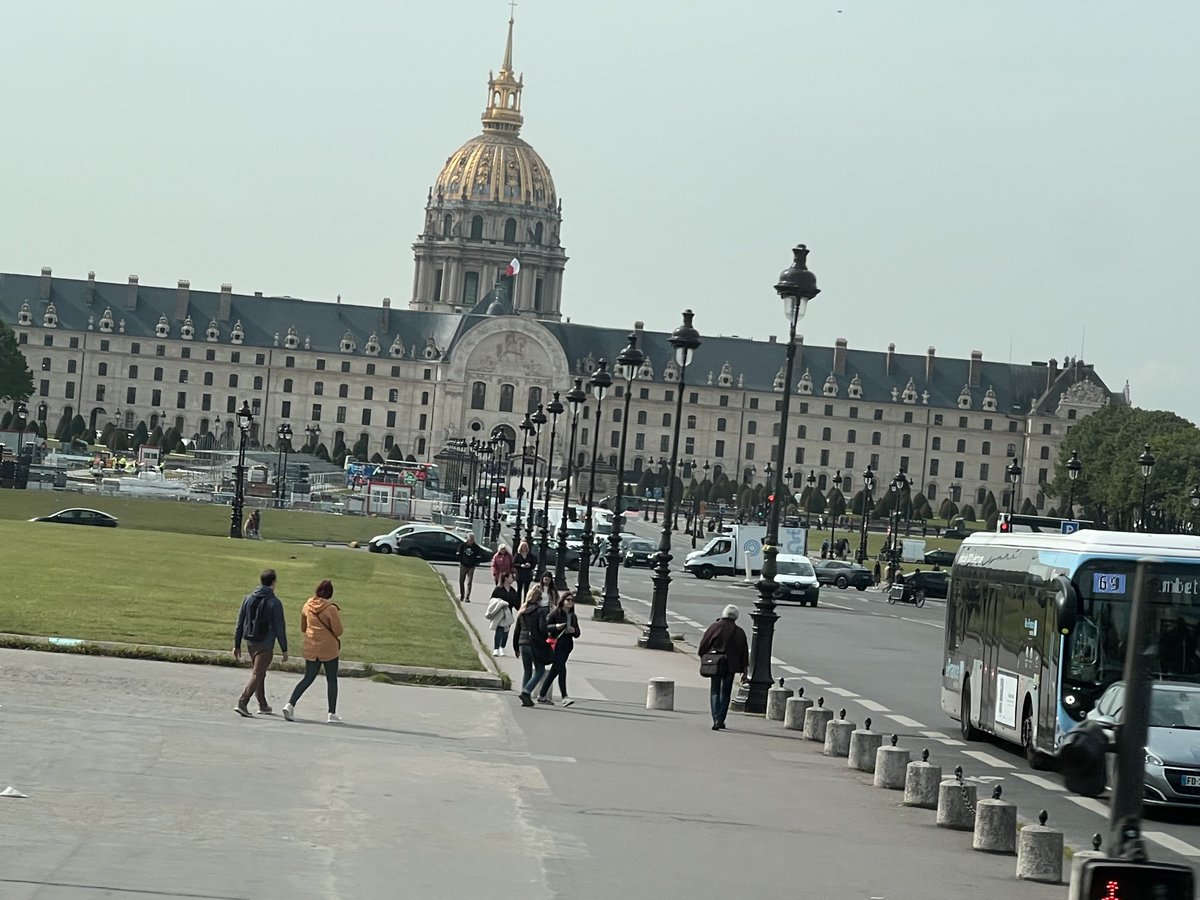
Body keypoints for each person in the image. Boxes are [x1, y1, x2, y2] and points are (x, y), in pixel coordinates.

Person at [282, 579, 344, 723]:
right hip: (329, 649)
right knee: (331, 680)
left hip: (311, 647)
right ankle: (331, 713)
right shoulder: (331, 609)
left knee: (308, 678)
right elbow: (338, 631)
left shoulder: (307, 606)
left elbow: (303, 627)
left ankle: (290, 704)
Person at [233, 568, 288, 717]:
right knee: (258, 674)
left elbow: (240, 622)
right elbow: (279, 627)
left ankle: (263, 704)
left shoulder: (248, 598)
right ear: (273, 583)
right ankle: (242, 702)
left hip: (250, 641)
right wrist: (284, 648)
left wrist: (236, 644)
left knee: (260, 673)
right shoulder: (274, 603)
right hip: (265, 643)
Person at [698, 605, 749, 731]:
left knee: (715, 690)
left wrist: (703, 657)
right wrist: (744, 670)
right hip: (730, 665)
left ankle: (716, 718)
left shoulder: (714, 627)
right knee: (725, 692)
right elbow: (744, 652)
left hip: (715, 662)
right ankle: (721, 719)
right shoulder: (739, 632)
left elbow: (704, 644)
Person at [538, 591, 580, 707]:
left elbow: (578, 633)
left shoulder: (573, 616)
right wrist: (556, 627)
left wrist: (573, 630)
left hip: (567, 646)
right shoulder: (556, 613)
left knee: (554, 671)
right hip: (556, 644)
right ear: (563, 601)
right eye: (568, 600)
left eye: (572, 600)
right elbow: (545, 627)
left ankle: (542, 695)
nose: (570, 602)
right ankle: (564, 696)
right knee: (562, 669)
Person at [513, 586, 552, 707]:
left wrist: (515, 647)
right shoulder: (540, 611)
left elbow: (516, 631)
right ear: (539, 599)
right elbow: (542, 629)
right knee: (539, 670)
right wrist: (547, 638)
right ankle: (526, 691)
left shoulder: (522, 611)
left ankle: (526, 697)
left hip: (522, 643)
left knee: (527, 670)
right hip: (534, 644)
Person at [485, 572, 518, 657]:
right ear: (506, 578)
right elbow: (492, 600)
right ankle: (496, 648)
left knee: (506, 631)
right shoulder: (498, 589)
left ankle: (502, 647)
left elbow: (517, 603)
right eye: (511, 577)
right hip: (500, 612)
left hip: (508, 613)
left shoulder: (512, 591)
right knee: (499, 630)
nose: (512, 579)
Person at [456, 533, 485, 602]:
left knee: (469, 582)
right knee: (461, 581)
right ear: (467, 539)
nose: (471, 541)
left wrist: (475, 564)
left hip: (471, 566)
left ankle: (467, 597)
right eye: (470, 539)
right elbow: (458, 554)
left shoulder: (476, 547)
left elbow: (478, 557)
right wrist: (461, 562)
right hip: (463, 565)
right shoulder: (462, 546)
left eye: (472, 539)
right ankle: (462, 595)